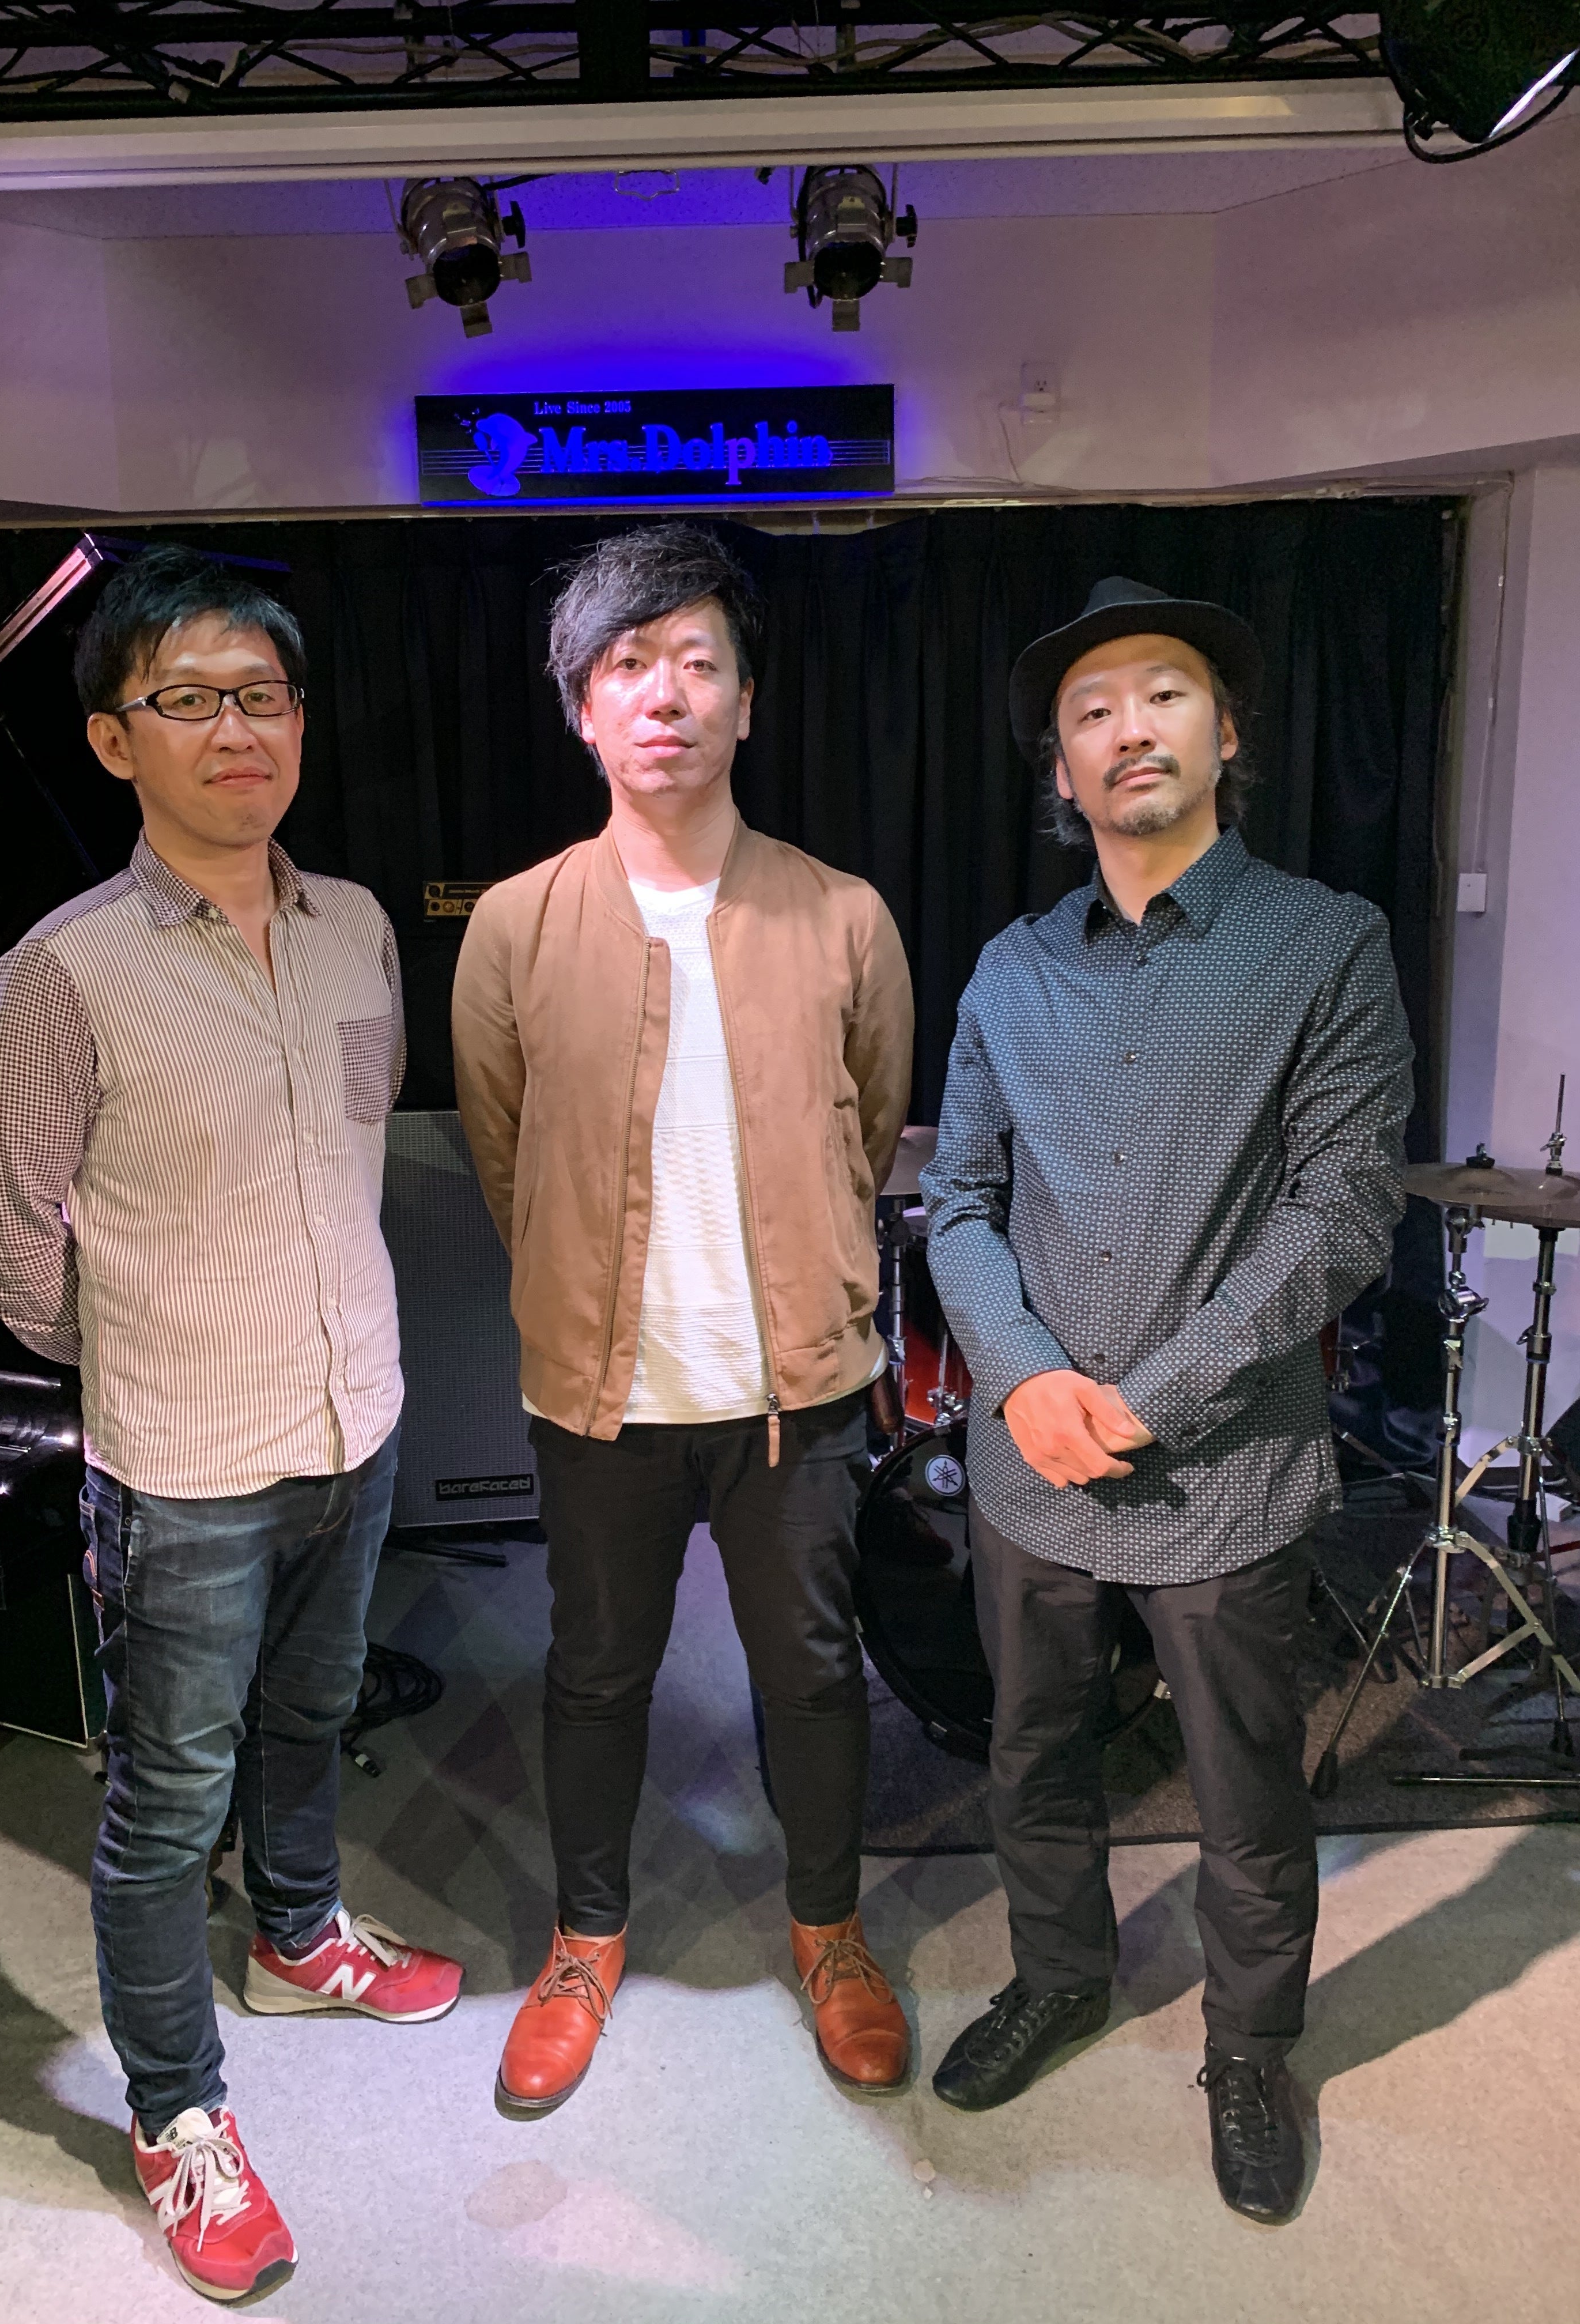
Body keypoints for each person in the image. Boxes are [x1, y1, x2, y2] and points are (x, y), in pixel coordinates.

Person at [0, 545, 462, 2306]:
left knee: (315, 1713)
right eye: (190, 700)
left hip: (357, 1419)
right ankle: (178, 2112)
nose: (237, 730)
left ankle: (299, 1935)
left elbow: (353, 1140)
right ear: (117, 740)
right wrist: (138, 1352)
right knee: (168, 1805)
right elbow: (1, 1236)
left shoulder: (357, 928)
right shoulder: (63, 971)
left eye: (264, 695)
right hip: (181, 1464)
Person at [922, 576, 1414, 2224]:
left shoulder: (1327, 944)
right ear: (1060, 768)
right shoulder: (1009, 972)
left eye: (1164, 695)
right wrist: (1025, 1380)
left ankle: (1252, 2049)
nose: (1127, 728)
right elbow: (959, 1203)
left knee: (1246, 1792)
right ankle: (1059, 1976)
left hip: (1225, 1469)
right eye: (1091, 710)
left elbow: (1342, 1215)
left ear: (1228, 732)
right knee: (1032, 1755)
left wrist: (1146, 1403)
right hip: (1033, 1469)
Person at [452, 524, 916, 2115]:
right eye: (629, 665)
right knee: (595, 1674)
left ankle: (830, 1931)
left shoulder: (842, 916)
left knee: (814, 1675)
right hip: (605, 1401)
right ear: (582, 708)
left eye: (699, 663)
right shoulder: (517, 925)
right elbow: (506, 1155)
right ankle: (585, 1941)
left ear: (746, 704)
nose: (667, 695)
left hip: (797, 1393)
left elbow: (868, 1128)